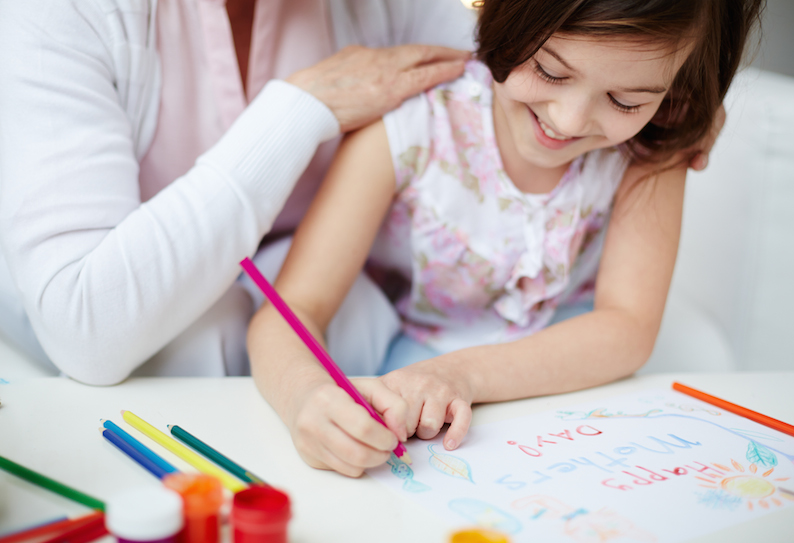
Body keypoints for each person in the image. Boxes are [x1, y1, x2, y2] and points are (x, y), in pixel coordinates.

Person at [247, 0, 763, 477]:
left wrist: (462, 375)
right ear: (499, 15)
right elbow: (290, 310)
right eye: (549, 71)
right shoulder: (410, 126)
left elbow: (627, 328)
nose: (568, 120)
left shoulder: (656, 141)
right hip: (410, 385)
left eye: (626, 101)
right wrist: (304, 398)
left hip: (562, 385)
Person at [0, 0, 478, 384]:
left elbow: (512, 72)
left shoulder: (384, 8)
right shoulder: (58, 12)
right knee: (207, 335)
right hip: (110, 354)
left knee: (358, 310)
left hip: (313, 338)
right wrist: (303, 110)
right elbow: (85, 329)